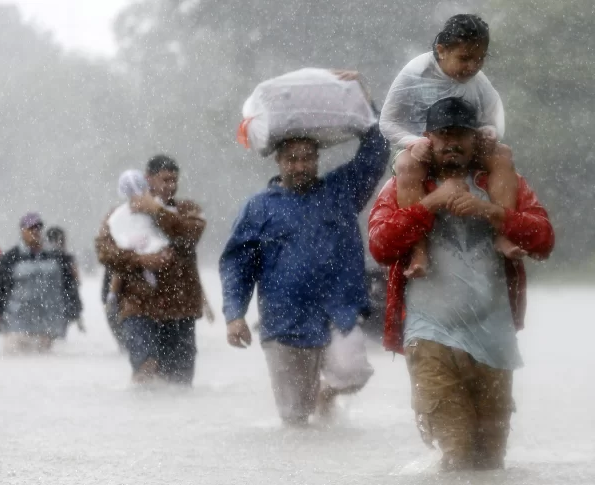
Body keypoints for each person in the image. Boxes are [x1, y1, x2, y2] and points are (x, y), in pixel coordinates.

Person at [368, 97, 555, 470]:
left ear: (476, 139)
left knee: (490, 461)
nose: (452, 143)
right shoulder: (404, 185)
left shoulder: (502, 182)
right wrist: (431, 204)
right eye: (443, 135)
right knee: (457, 453)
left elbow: (544, 240)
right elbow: (380, 245)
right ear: (427, 138)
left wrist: (492, 212)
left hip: (494, 339)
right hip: (429, 337)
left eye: (461, 135)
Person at [219, 71, 390, 426]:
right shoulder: (259, 207)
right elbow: (238, 264)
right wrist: (235, 315)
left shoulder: (341, 191)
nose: (300, 166)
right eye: (292, 159)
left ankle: (325, 396)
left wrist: (364, 98)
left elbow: (377, 150)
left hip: (337, 310)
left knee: (353, 371)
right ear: (278, 161)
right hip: (284, 320)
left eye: (307, 158)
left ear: (317, 159)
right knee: (295, 422)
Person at [380, 14, 521, 279]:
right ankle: (419, 249)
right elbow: (387, 122)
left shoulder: (478, 80)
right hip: (421, 147)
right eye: (465, 59)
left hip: (465, 146)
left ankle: (503, 234)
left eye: (480, 59)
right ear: (441, 51)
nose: (473, 67)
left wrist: (491, 132)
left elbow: (495, 117)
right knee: (407, 165)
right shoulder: (415, 72)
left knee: (503, 154)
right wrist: (414, 142)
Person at [96, 155, 205, 385]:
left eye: (174, 180)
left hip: (180, 307)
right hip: (138, 307)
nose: (171, 186)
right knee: (146, 369)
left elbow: (189, 236)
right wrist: (140, 260)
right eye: (165, 180)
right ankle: (139, 417)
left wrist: (157, 211)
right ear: (148, 179)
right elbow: (104, 252)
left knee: (180, 382)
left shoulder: (186, 209)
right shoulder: (119, 215)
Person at [0, 213, 82, 353]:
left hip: (48, 324)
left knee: (46, 365)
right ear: (22, 230)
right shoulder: (10, 257)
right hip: (16, 323)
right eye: (31, 228)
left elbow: (69, 285)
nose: (35, 232)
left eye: (38, 228)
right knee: (17, 364)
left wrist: (74, 310)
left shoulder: (57, 256)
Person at [46, 226, 85, 337]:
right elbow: (76, 282)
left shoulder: (43, 258)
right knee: (58, 338)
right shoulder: (67, 258)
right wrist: (77, 314)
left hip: (48, 305)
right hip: (63, 304)